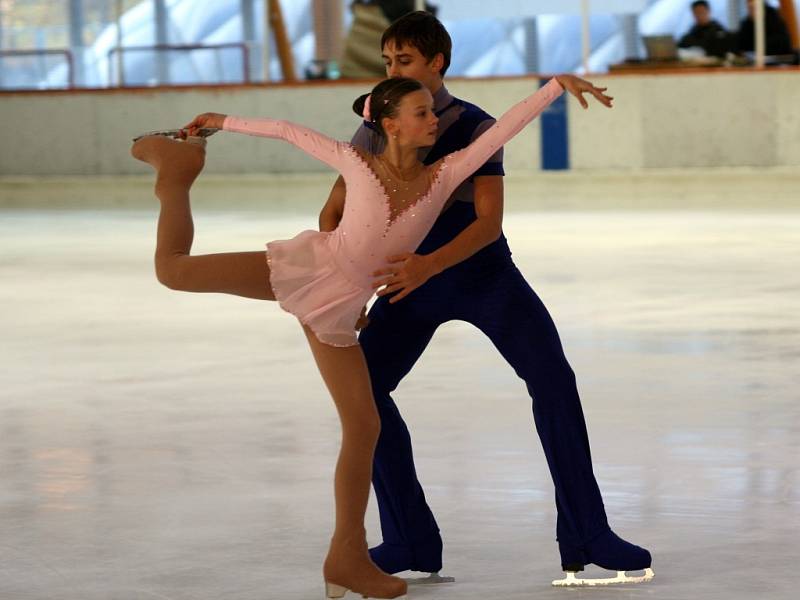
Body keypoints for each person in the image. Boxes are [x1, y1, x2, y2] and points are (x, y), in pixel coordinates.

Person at [130, 72, 569, 598]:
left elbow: (497, 135)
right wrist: (219, 121)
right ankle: (175, 174)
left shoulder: (444, 176)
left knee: (363, 428)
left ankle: (346, 557)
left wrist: (555, 87)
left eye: (432, 112)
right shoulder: (357, 163)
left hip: (339, 311)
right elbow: (286, 130)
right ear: (390, 125)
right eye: (422, 113)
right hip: (309, 271)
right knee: (173, 271)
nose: (434, 121)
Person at [319, 10, 653, 587]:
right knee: (363, 393)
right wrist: (345, 268)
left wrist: (429, 264)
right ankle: (410, 536)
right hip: (409, 285)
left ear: (436, 64)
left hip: (483, 278)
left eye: (404, 60)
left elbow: (488, 223)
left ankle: (586, 533)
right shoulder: (376, 124)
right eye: (389, 61)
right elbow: (334, 212)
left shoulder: (474, 125)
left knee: (553, 379)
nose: (391, 70)